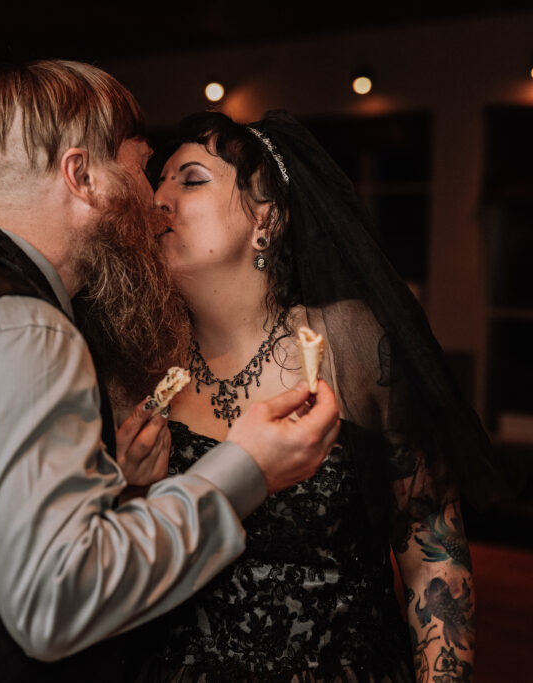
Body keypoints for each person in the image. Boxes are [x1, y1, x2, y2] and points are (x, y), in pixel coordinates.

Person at [0, 62, 341, 682]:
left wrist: (109, 482)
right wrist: (245, 468)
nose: (153, 199)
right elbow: (54, 603)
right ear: (82, 176)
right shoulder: (26, 329)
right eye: (140, 168)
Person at [80, 110, 516, 682]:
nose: (158, 200)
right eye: (157, 181)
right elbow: (102, 580)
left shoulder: (348, 347)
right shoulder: (132, 370)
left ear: (268, 219)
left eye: (189, 179)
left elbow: (430, 550)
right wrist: (132, 489)